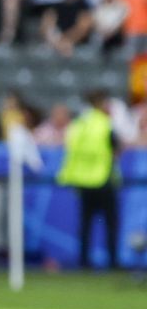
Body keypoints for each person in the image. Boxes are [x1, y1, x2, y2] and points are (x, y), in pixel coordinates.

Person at [56, 90, 119, 270]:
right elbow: (114, 147)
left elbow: (69, 148)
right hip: (102, 178)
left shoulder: (78, 124)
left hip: (82, 180)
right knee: (110, 223)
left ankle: (84, 262)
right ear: (100, 103)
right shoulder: (104, 123)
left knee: (85, 224)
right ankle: (112, 261)